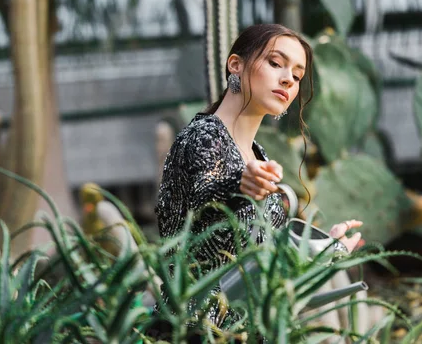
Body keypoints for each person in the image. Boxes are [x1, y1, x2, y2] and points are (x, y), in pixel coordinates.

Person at [153, 23, 362, 334]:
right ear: (236, 65)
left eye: (298, 74)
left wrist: (323, 250)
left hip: (247, 329)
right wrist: (237, 186)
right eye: (276, 63)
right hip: (195, 327)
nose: (289, 78)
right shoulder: (203, 136)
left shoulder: (258, 154)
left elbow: (266, 261)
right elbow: (204, 199)